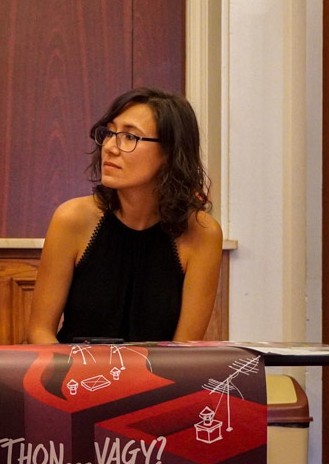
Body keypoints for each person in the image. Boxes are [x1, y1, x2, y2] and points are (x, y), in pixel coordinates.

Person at [27, 87, 222, 344]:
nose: (110, 147)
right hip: (74, 366)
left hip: (160, 369)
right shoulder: (72, 218)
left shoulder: (202, 233)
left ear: (170, 152)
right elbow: (40, 331)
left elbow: (185, 349)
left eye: (129, 136)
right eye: (109, 133)